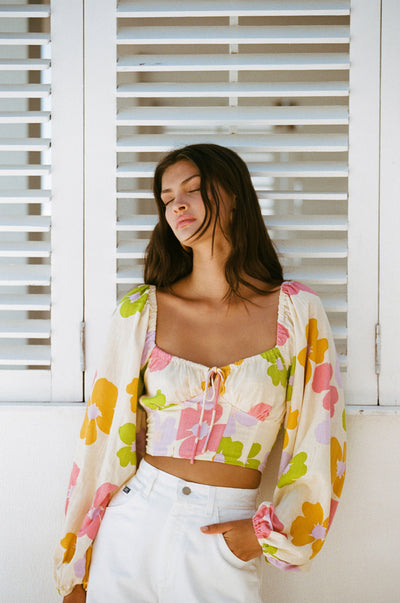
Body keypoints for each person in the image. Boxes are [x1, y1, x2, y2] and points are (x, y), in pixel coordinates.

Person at [54, 144, 346, 602]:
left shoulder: (296, 312)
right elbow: (101, 441)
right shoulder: (141, 312)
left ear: (233, 197)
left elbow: (320, 439)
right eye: (167, 198)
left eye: (192, 189)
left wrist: (263, 537)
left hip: (224, 538)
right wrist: (76, 567)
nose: (178, 205)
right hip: (131, 528)